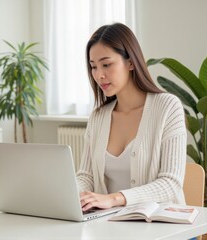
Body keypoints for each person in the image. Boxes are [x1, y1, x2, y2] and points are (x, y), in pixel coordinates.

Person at [77, 23, 187, 212]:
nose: (99, 75)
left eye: (106, 64)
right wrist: (68, 193)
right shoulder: (98, 117)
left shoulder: (167, 107)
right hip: (113, 224)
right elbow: (87, 177)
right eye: (93, 67)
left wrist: (114, 199)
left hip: (164, 225)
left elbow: (170, 184)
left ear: (130, 62)